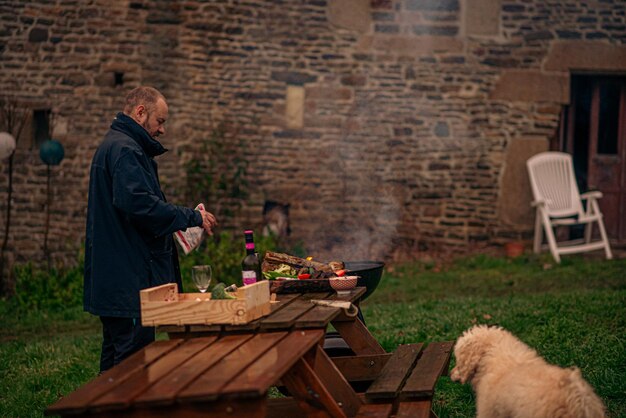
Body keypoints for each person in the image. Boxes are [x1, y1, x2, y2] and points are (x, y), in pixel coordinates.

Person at [83, 86, 217, 373]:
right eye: (160, 121)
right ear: (140, 112)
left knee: (114, 364)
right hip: (130, 280)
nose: (162, 130)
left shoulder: (117, 145)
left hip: (118, 277)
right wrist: (190, 217)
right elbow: (140, 207)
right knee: (132, 368)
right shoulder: (126, 150)